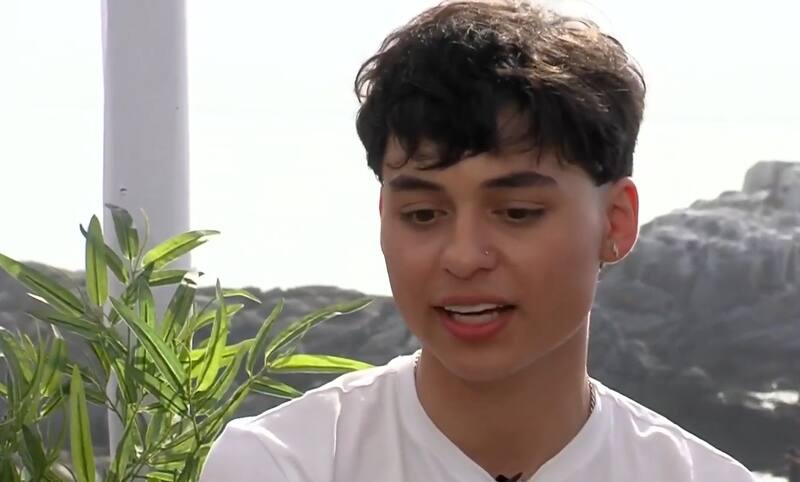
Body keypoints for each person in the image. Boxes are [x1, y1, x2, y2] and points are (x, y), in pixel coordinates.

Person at [199, 1, 757, 480]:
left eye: (517, 212)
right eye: (422, 214)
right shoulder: (285, 464)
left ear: (615, 222)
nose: (464, 257)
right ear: (383, 218)